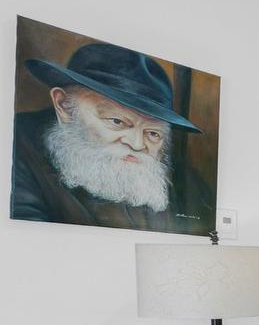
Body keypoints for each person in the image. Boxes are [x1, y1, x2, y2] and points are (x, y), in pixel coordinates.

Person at [10, 41, 213, 232]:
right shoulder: (16, 146)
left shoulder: (180, 177)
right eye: (117, 121)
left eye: (153, 133)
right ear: (64, 106)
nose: (136, 144)